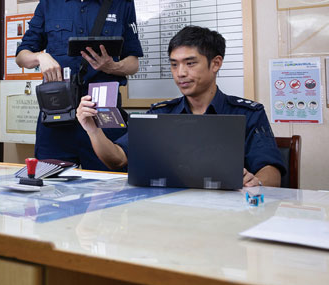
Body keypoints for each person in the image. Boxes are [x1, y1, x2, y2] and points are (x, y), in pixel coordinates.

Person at [76, 25, 285, 187]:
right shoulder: (161, 114)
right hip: (167, 218)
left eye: (190, 63)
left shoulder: (248, 113)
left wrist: (255, 182)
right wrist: (93, 130)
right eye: (174, 64)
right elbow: (117, 159)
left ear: (216, 63)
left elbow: (271, 171)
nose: (180, 73)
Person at [15, 0, 142, 169]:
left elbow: (133, 62)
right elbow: (22, 56)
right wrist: (40, 57)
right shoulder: (50, 3)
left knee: (109, 188)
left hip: (103, 113)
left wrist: (112, 66)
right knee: (50, 187)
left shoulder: (122, 3)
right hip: (57, 112)